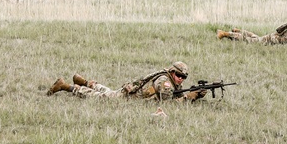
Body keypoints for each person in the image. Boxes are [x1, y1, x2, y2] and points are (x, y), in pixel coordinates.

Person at [47, 61, 207, 101]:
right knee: (99, 98)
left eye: (184, 77)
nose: (181, 79)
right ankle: (66, 86)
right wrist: (190, 97)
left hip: (130, 92)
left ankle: (86, 82)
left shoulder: (169, 80)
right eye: (179, 75)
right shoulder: (165, 82)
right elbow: (167, 104)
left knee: (109, 92)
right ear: (172, 72)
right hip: (129, 98)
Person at [216, 17, 287, 45]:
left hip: (271, 38)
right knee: (249, 40)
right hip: (270, 42)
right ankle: (225, 34)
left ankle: (238, 30)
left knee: (255, 37)